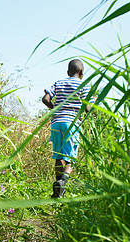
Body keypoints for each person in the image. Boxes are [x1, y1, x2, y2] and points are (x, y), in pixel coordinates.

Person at [41, 59, 94, 198]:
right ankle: (63, 183)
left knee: (58, 156)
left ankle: (58, 192)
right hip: (72, 123)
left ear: (67, 72)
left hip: (57, 122)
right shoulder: (84, 85)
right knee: (70, 158)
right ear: (81, 72)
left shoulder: (58, 83)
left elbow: (45, 99)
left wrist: (55, 109)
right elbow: (88, 108)